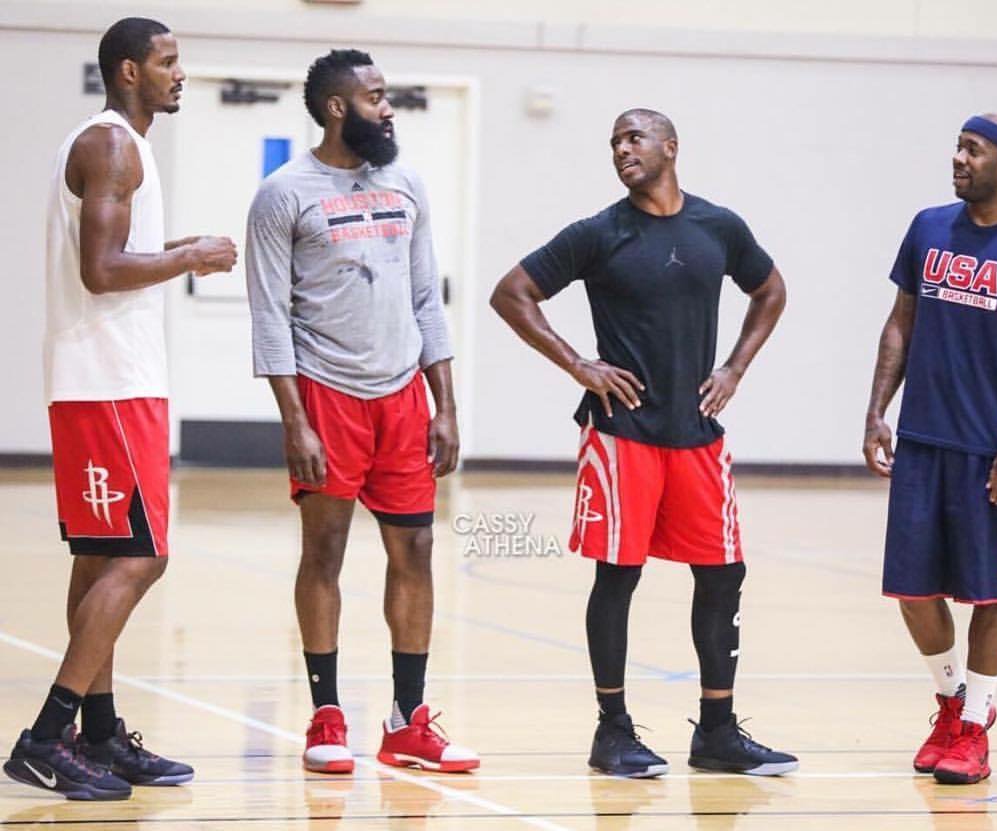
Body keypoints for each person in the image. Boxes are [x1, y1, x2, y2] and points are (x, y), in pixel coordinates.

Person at [490, 109, 798, 778]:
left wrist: (735, 367)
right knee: (618, 576)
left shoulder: (718, 226)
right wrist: (580, 365)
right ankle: (613, 730)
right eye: (614, 142)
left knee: (723, 573)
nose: (622, 149)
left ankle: (717, 730)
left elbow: (769, 288)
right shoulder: (600, 232)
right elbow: (512, 293)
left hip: (696, 434)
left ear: (670, 146)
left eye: (634, 138)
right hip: (621, 431)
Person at [3, 17, 237, 800]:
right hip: (107, 381)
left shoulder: (118, 146)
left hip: (99, 378)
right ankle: (46, 732)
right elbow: (101, 270)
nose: (180, 73)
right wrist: (191, 257)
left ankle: (96, 732)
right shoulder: (109, 145)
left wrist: (175, 249)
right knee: (144, 555)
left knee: (103, 555)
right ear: (129, 71)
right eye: (168, 62)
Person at [245, 49, 477, 775]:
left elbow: (423, 299)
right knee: (326, 551)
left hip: (403, 396)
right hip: (326, 395)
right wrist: (294, 420)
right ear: (338, 106)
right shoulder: (284, 193)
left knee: (415, 551)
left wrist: (445, 404)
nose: (389, 107)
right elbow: (269, 317)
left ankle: (408, 721)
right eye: (377, 96)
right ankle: (326, 712)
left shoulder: (406, 183)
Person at [864, 113, 997, 784]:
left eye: (973, 150)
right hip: (925, 441)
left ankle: (978, 723)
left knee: (990, 593)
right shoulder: (928, 228)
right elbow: (901, 324)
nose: (958, 158)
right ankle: (952, 702)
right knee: (911, 587)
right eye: (958, 146)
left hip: (994, 451)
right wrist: (877, 411)